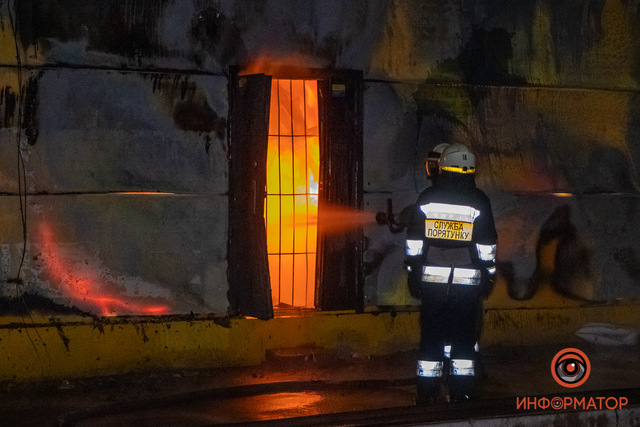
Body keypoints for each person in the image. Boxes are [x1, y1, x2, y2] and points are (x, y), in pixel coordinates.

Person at [405, 143, 497, 404]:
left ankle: (427, 393)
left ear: (443, 166)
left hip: (432, 283)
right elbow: (487, 245)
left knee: (431, 338)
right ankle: (462, 393)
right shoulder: (479, 200)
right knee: (463, 340)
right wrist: (489, 275)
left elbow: (414, 241)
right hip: (466, 285)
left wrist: (413, 273)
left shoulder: (427, 198)